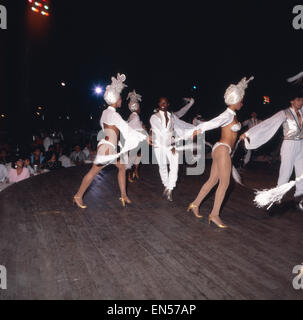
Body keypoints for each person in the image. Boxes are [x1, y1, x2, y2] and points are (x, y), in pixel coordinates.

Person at [73, 73, 148, 208]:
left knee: (122, 168)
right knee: (93, 172)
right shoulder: (114, 114)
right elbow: (127, 130)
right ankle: (78, 196)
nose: (121, 100)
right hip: (107, 149)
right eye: (120, 98)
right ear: (115, 100)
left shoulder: (105, 113)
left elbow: (113, 129)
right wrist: (145, 137)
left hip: (108, 147)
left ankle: (124, 195)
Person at [188, 76, 254, 228]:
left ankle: (195, 204)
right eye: (241, 100)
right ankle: (215, 214)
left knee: (213, 181)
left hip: (221, 149)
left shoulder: (233, 115)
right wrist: (199, 129)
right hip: (222, 149)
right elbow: (214, 122)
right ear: (235, 101)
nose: (242, 102)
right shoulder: (227, 115)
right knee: (225, 183)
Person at [240, 89, 303, 209]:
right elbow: (267, 124)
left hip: (301, 144)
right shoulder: (284, 113)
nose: (301, 102)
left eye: (302, 100)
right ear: (292, 101)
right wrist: (248, 134)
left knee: (302, 172)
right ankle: (277, 197)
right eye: (299, 100)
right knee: (286, 171)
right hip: (289, 144)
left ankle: (299, 196)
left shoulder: (302, 112)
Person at [150, 97, 195, 201]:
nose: (163, 104)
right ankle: (166, 185)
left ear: (168, 104)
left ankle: (170, 188)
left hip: (170, 144)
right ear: (158, 103)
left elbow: (173, 132)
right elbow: (161, 132)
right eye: (161, 102)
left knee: (175, 164)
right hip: (159, 145)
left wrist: (173, 144)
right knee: (162, 167)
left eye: (165, 102)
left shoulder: (172, 117)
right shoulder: (154, 117)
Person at [125, 90, 146, 182]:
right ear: (136, 107)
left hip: (136, 140)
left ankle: (135, 171)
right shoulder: (135, 116)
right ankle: (129, 175)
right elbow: (134, 127)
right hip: (133, 140)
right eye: (139, 107)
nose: (140, 108)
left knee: (138, 156)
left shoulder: (133, 116)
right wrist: (143, 129)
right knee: (131, 158)